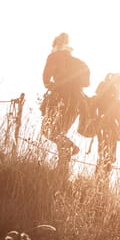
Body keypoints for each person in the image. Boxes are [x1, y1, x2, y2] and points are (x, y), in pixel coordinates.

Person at [40, 33, 89, 170]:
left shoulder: (53, 57)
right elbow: (87, 83)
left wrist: (54, 86)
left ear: (56, 45)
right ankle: (61, 169)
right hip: (77, 102)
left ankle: (70, 148)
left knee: (48, 131)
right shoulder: (80, 63)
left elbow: (45, 79)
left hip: (60, 99)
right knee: (60, 133)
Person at [91, 73, 120, 177]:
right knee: (107, 154)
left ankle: (100, 177)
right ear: (116, 82)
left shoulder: (105, 91)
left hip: (104, 125)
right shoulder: (111, 93)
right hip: (108, 126)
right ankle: (101, 179)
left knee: (105, 153)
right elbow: (112, 109)